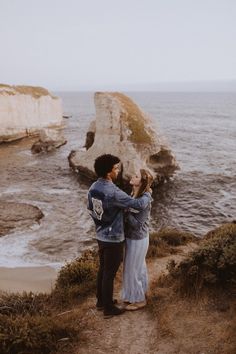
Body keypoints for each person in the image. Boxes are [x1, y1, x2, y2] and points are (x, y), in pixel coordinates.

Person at [87, 154, 152, 319]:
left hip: (101, 235)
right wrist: (148, 194)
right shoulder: (113, 191)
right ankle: (109, 308)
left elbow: (90, 210)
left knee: (103, 270)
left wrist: (101, 224)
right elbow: (137, 204)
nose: (118, 171)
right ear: (109, 173)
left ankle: (101, 301)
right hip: (114, 238)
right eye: (115, 168)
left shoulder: (93, 187)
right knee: (109, 273)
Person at [122, 169, 153, 310]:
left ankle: (139, 300)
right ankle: (136, 294)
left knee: (132, 269)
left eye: (136, 176)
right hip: (133, 237)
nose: (132, 176)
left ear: (141, 182)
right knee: (138, 267)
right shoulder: (133, 194)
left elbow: (136, 224)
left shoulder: (144, 199)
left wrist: (125, 210)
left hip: (137, 238)